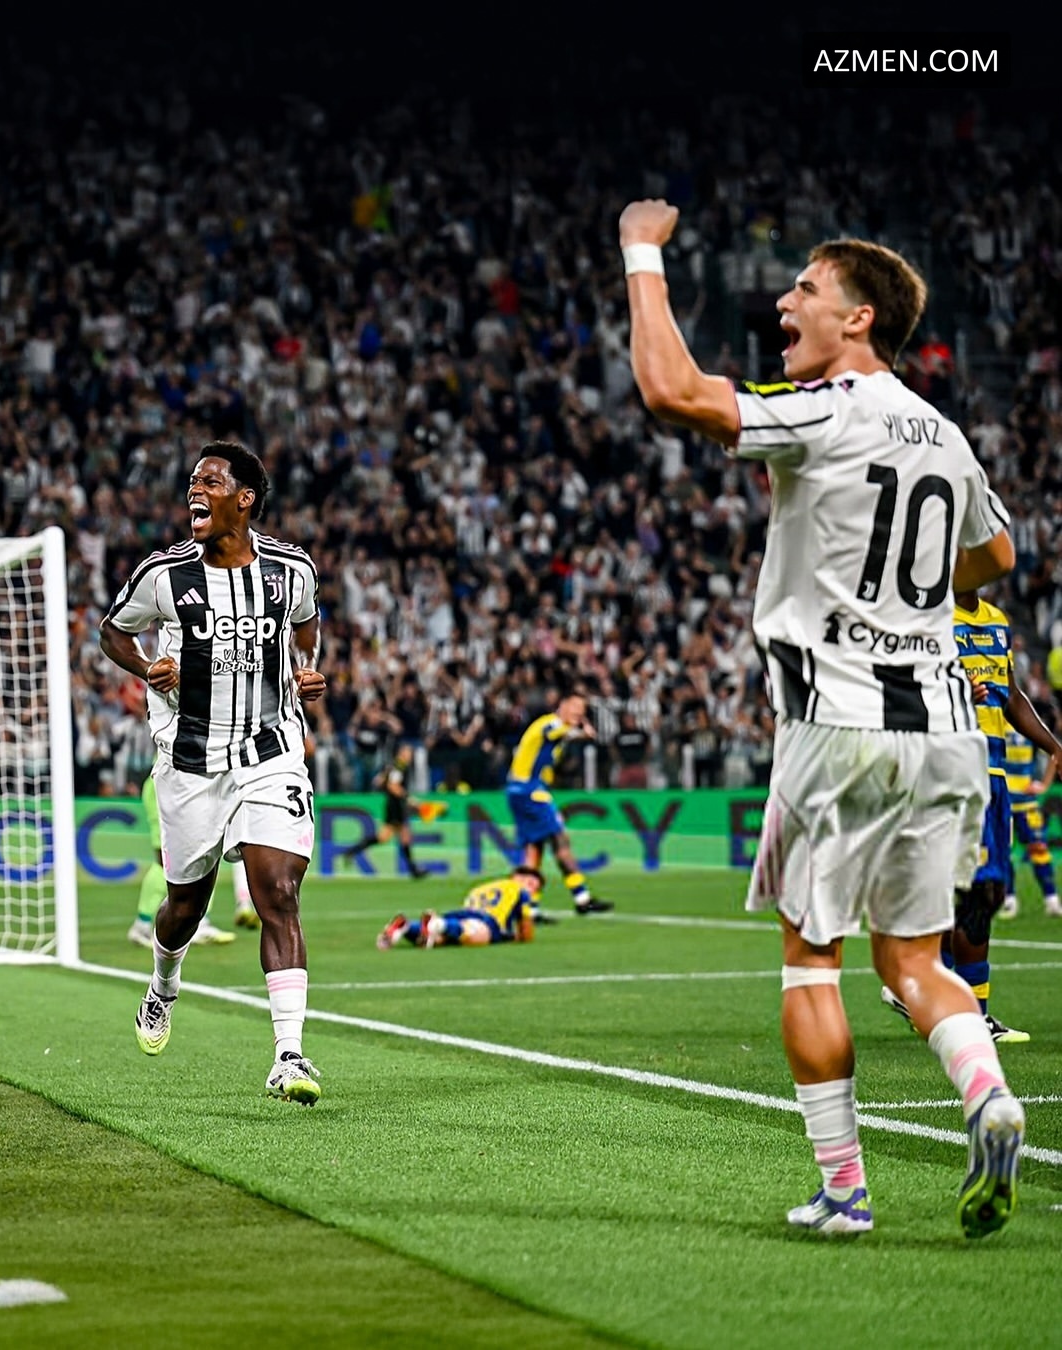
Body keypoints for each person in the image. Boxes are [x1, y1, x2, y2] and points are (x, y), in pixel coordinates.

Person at [621, 198, 1023, 1238]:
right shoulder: (944, 433)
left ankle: (845, 1190)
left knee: (812, 961)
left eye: (805, 289)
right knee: (917, 962)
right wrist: (913, 595)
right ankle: (988, 1095)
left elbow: (671, 391)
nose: (783, 302)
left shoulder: (826, 410)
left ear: (859, 319)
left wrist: (641, 254)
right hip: (945, 729)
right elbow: (997, 555)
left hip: (834, 724)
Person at [99, 441, 327, 1105]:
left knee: (277, 890)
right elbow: (113, 632)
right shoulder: (163, 575)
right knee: (185, 908)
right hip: (191, 762)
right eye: (192, 481)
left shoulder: (291, 569)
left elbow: (308, 625)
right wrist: (146, 668)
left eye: (210, 481)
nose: (194, 490)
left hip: (270, 750)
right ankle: (163, 984)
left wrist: (306, 669)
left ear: (244, 498)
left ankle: (289, 1055)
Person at [883, 592, 1062, 1043]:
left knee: (981, 892)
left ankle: (921, 990)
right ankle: (968, 1015)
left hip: (994, 776)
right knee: (975, 895)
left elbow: (1011, 697)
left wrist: (1053, 746)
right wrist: (949, 693)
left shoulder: (996, 621)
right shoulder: (929, 618)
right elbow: (898, 689)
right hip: (953, 769)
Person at [505, 686, 613, 915]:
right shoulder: (551, 724)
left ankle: (528, 908)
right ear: (562, 705)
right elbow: (554, 731)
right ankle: (582, 898)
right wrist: (581, 733)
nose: (578, 713)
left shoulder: (557, 730)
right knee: (560, 840)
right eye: (574, 707)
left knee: (534, 848)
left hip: (519, 790)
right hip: (530, 790)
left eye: (582, 709)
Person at [127, 765, 241, 947]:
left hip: (191, 780)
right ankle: (143, 924)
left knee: (205, 853)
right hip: (171, 780)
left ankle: (198, 922)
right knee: (166, 861)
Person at [337, 742, 443, 877]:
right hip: (396, 805)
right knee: (399, 835)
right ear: (401, 753)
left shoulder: (392, 766)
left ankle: (352, 851)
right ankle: (413, 869)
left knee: (388, 836)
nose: (410, 756)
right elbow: (393, 786)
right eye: (408, 753)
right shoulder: (399, 767)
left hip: (393, 804)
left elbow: (378, 781)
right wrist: (407, 797)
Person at [376, 865, 544, 949]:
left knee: (440, 940)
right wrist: (518, 937)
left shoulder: (479, 888)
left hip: (461, 915)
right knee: (478, 935)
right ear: (517, 877)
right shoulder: (520, 890)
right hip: (485, 920)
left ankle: (406, 927)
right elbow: (526, 931)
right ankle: (437, 924)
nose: (531, 890)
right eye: (531, 884)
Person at [1000, 729, 1061, 918]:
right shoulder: (993, 720)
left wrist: (1044, 784)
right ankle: (1009, 900)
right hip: (1002, 801)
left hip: (1027, 803)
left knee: (1039, 849)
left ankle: (1052, 900)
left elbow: (1054, 751)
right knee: (1003, 851)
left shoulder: (1027, 722)